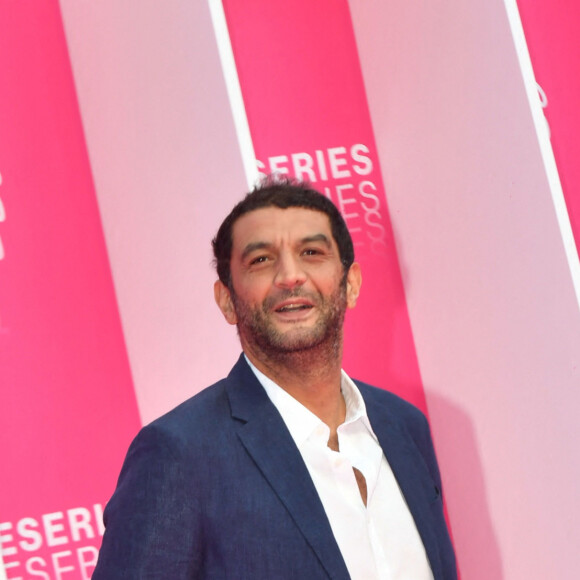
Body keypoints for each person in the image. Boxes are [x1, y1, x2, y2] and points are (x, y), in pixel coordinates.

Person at [93, 177, 457, 579]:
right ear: (227, 300)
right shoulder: (181, 455)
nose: (290, 276)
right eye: (261, 260)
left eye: (311, 252)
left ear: (350, 284)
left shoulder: (404, 426)